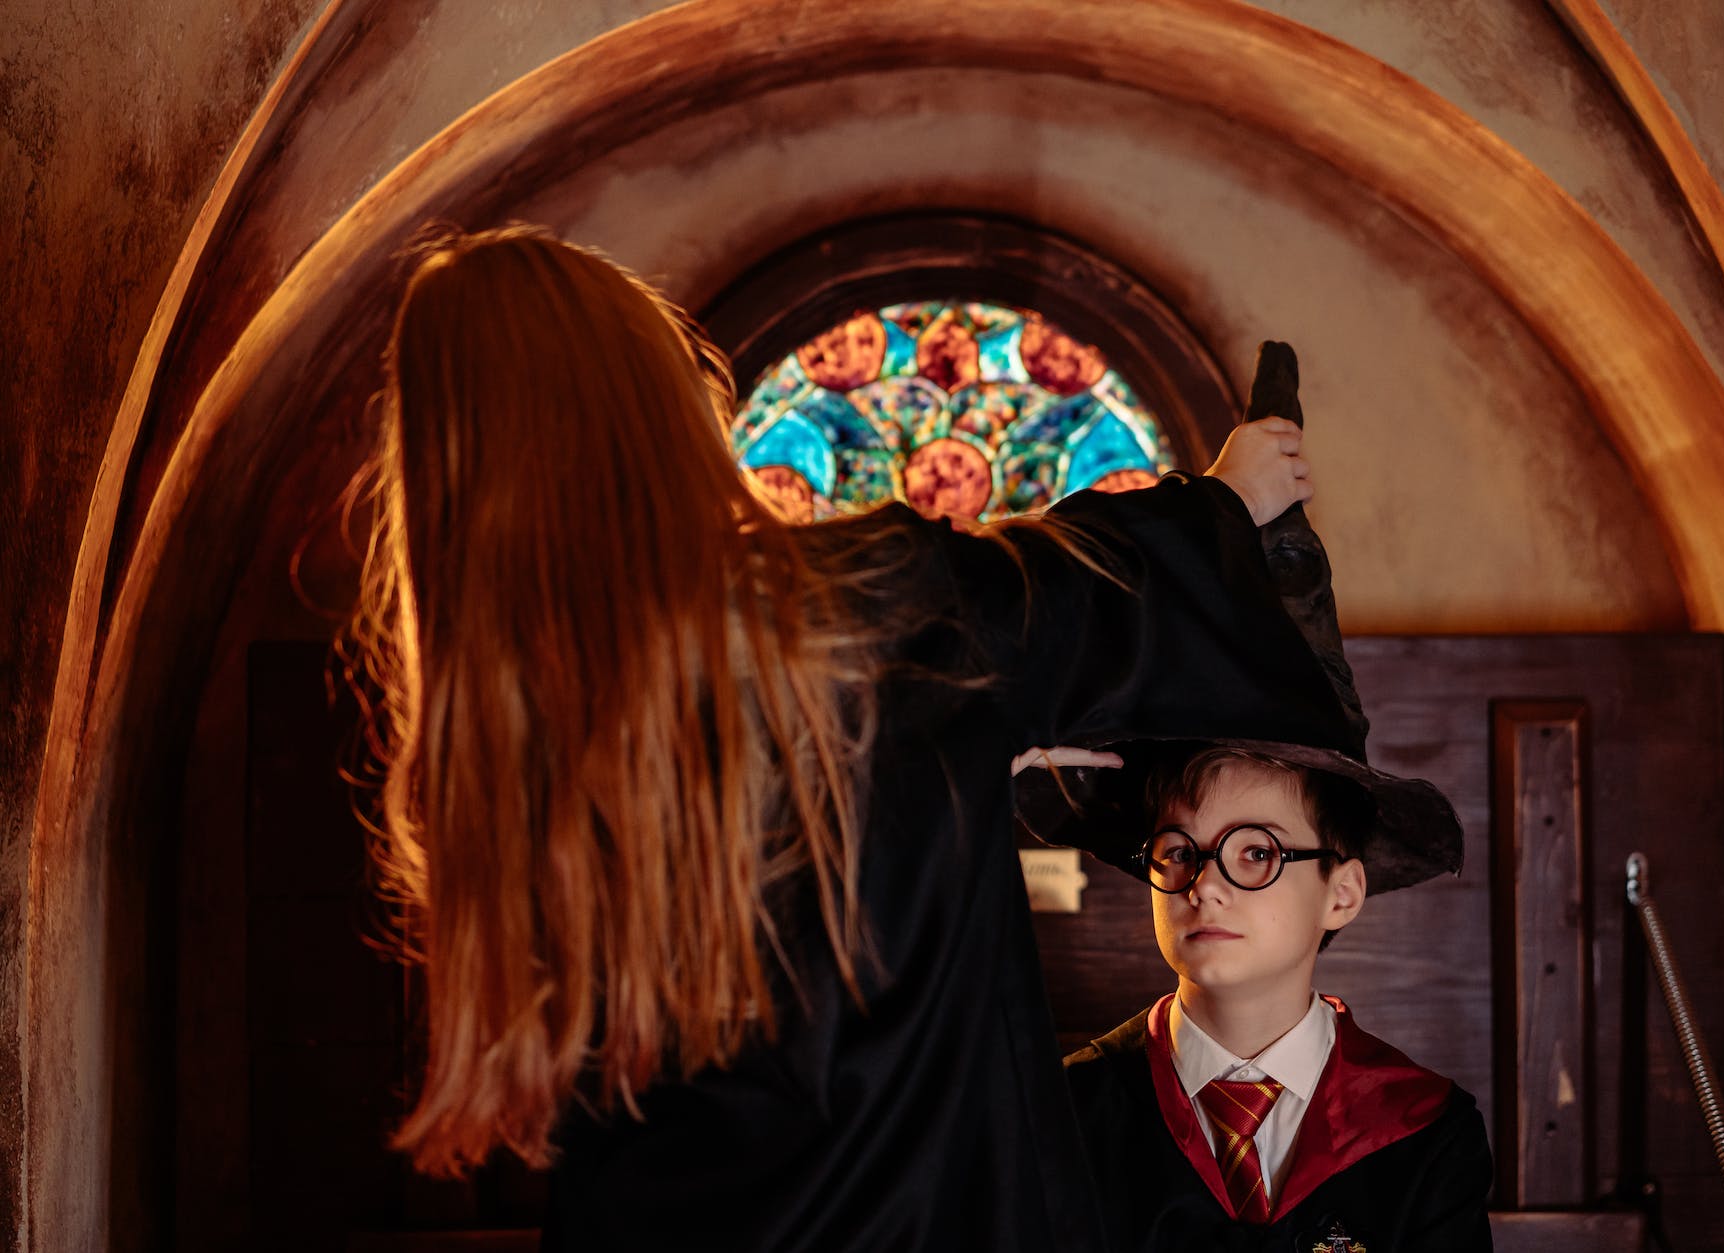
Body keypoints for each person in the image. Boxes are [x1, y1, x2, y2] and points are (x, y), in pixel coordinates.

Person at [348, 223, 1330, 1252]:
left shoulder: (508, 753)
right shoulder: (860, 615)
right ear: (649, 412)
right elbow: (1074, 597)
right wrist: (1226, 501)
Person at [1055, 741, 1493, 1253]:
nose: (1205, 886)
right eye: (1179, 852)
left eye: (1258, 853)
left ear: (1342, 894)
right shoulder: (1065, 1110)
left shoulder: (1428, 1131)